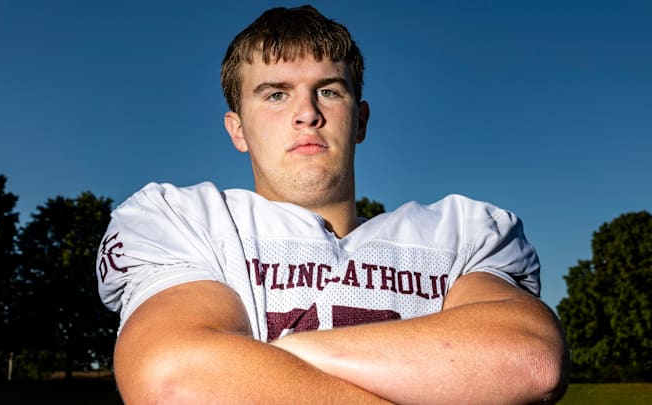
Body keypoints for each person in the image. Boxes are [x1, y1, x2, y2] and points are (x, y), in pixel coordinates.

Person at [96, 5, 568, 404]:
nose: (307, 113)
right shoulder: (182, 219)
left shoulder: (462, 230)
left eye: (328, 91)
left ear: (359, 120)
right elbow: (174, 376)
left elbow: (529, 357)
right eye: (276, 94)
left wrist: (278, 353)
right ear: (237, 129)